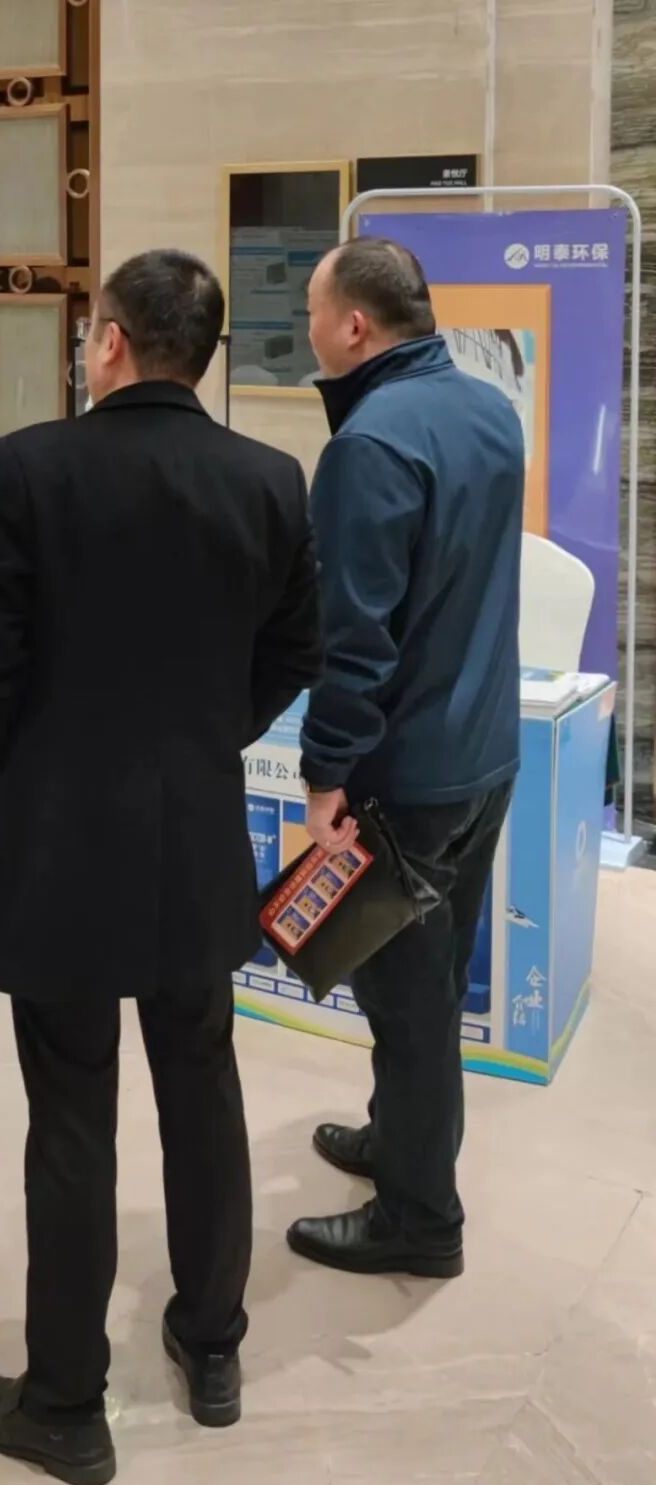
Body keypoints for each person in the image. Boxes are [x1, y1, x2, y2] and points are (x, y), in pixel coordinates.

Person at [0, 250, 322, 1485]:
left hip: (60, 835)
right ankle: (213, 1346)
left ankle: (64, 1400)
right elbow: (294, 647)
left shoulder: (32, 465)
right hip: (194, 830)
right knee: (203, 1087)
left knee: (70, 1109)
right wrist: (209, 737)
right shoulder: (268, 478)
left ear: (107, 342)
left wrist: (10, 767)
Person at [288, 237, 525, 1279]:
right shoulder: (488, 407)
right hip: (483, 756)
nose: (305, 329)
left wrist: (326, 773)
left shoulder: (371, 444)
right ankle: (398, 1140)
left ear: (353, 325)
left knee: (409, 1002)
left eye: (311, 310)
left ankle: (421, 1221)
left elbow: (357, 638)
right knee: (435, 972)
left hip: (408, 777)